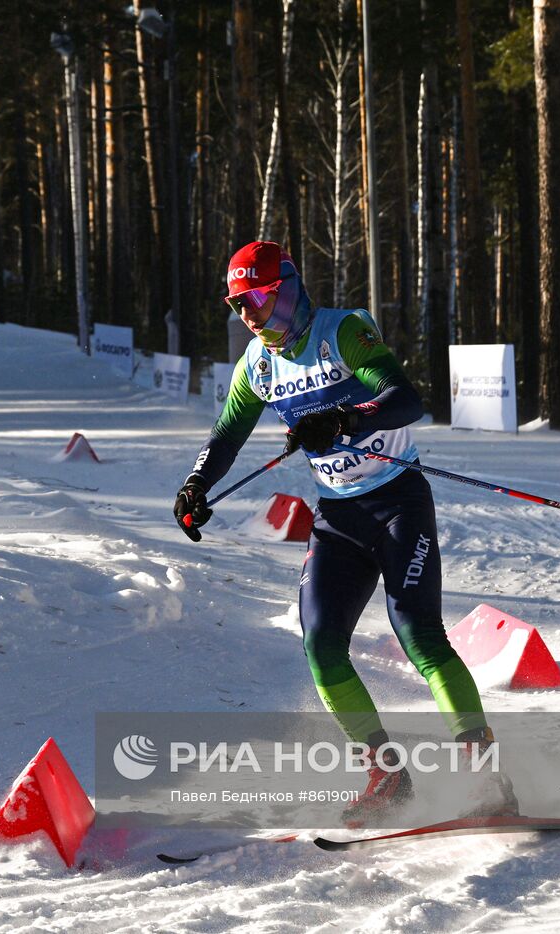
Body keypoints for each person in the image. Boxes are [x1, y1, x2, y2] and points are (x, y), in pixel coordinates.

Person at [173, 240, 516, 824]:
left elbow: (406, 400)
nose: (250, 314)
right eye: (237, 305)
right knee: (320, 642)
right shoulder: (257, 365)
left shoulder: (344, 331)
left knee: (418, 634)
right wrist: (194, 487)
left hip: (398, 503)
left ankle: (485, 777)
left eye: (257, 297)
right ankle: (386, 774)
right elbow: (226, 436)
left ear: (286, 287)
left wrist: (346, 417)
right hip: (339, 516)